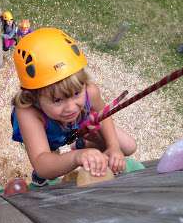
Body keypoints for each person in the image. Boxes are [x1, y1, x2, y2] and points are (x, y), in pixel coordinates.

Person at [11, 28, 137, 186]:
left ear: (84, 83)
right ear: (33, 96)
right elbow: (41, 161)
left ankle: (81, 143)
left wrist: (113, 147)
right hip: (47, 134)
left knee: (128, 146)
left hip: (73, 127)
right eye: (57, 100)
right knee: (49, 166)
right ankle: (65, 157)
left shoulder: (90, 91)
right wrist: (77, 157)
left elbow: (103, 114)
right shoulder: (28, 112)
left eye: (77, 93)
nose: (71, 108)